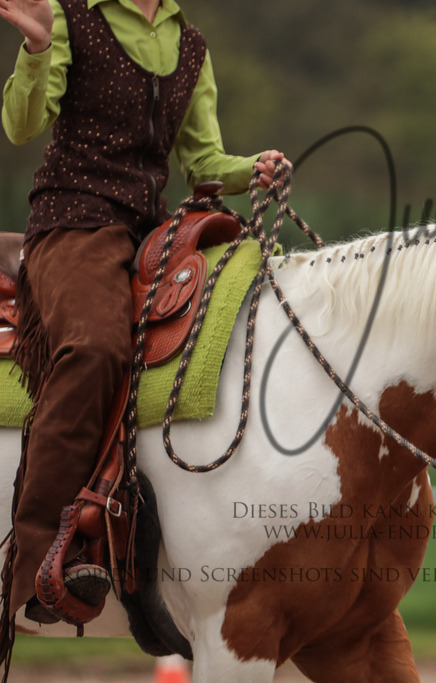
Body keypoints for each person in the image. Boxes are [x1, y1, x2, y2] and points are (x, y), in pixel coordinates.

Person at [0, 0, 291, 628]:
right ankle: (42, 555)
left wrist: (253, 170)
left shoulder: (191, 47)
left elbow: (204, 163)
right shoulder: (69, 19)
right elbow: (21, 127)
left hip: (152, 233)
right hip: (71, 223)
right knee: (97, 346)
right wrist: (37, 49)